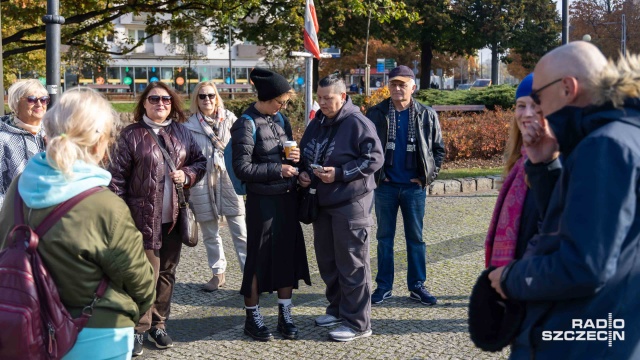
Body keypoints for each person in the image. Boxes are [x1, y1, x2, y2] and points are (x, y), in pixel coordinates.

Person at [488, 42, 640, 358]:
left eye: (540, 99)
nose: (538, 111)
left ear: (568, 88)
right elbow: (579, 222)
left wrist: (512, 278)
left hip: (583, 339)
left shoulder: (605, 145)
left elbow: (583, 266)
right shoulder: (623, 133)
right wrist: (544, 166)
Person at [0, 87, 156, 359]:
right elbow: (140, 283)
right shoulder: (105, 206)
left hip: (25, 326)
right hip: (96, 332)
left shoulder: (18, 186)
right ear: (99, 142)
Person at [109, 82, 206, 356]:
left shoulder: (181, 132)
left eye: (165, 99)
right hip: (140, 220)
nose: (160, 104)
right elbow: (116, 180)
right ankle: (139, 328)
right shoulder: (131, 135)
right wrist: (119, 218)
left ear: (172, 103)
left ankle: (159, 324)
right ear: (144, 103)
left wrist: (186, 175)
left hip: (173, 219)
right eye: (154, 99)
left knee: (166, 273)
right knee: (143, 276)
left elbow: (200, 162)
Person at [298, 75, 383, 342]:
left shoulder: (358, 122)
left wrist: (340, 173)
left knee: (352, 264)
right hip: (323, 204)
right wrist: (304, 174)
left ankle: (359, 323)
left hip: (351, 205)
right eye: (320, 98)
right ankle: (337, 310)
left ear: (343, 97)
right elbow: (305, 154)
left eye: (328, 98)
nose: (323, 103)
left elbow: (375, 158)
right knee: (329, 262)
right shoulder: (318, 122)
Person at [230, 68, 311, 341]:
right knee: (258, 260)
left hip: (286, 198)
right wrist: (278, 169)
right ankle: (252, 318)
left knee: (286, 257)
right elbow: (241, 168)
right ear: (266, 97)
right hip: (262, 203)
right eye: (281, 101)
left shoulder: (280, 119)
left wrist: (296, 161)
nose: (283, 106)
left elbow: (288, 158)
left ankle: (284, 316)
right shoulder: (245, 124)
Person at [366, 65, 445, 306]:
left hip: (413, 187)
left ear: (413, 86)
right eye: (393, 84)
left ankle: (417, 285)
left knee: (416, 238)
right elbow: (366, 147)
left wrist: (427, 178)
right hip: (386, 187)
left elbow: (438, 150)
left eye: (403, 84)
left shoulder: (426, 114)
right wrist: (378, 176)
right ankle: (383, 286)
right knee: (384, 237)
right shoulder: (376, 113)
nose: (398, 88)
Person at [184, 81, 247, 292]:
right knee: (210, 233)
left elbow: (243, 148)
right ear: (196, 99)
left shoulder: (230, 120)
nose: (207, 100)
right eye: (202, 96)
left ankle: (249, 276)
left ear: (217, 97)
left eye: (211, 95)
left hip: (229, 181)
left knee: (240, 231)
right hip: (202, 183)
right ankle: (217, 274)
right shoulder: (189, 126)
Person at [484, 73, 542, 268]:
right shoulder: (518, 164)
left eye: (535, 106)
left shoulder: (559, 164)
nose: (527, 114)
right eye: (521, 106)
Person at [0, 79, 48, 208]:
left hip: (50, 214)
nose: (39, 104)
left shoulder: (54, 133)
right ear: (15, 104)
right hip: (15, 216)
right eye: (31, 99)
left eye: (43, 99)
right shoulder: (3, 137)